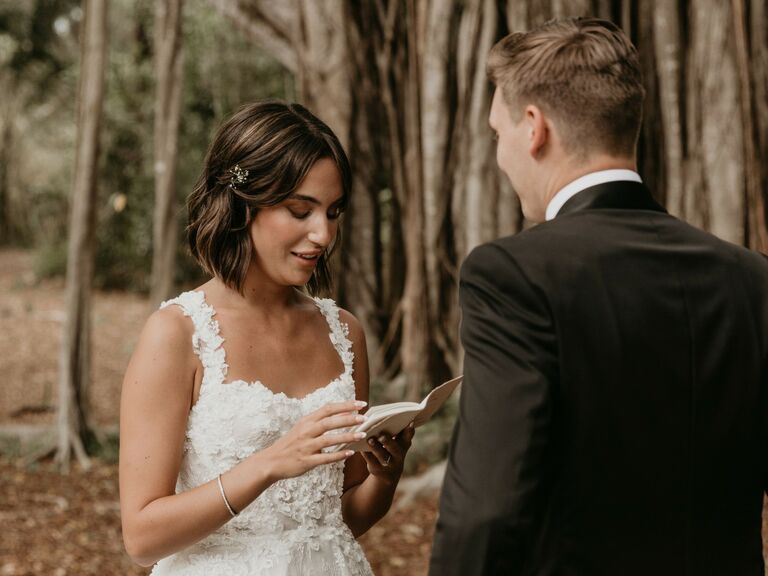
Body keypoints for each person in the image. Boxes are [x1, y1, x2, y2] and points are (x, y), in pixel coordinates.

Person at [430, 17, 768, 576]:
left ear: (534, 128)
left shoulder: (513, 275)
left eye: (498, 134)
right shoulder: (753, 278)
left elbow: (483, 513)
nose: (499, 157)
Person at [119, 100, 414, 575]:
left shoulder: (344, 333)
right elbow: (141, 536)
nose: (323, 234)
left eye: (333, 212)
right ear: (243, 204)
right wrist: (269, 463)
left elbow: (340, 521)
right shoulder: (178, 334)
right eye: (301, 210)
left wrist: (384, 477)